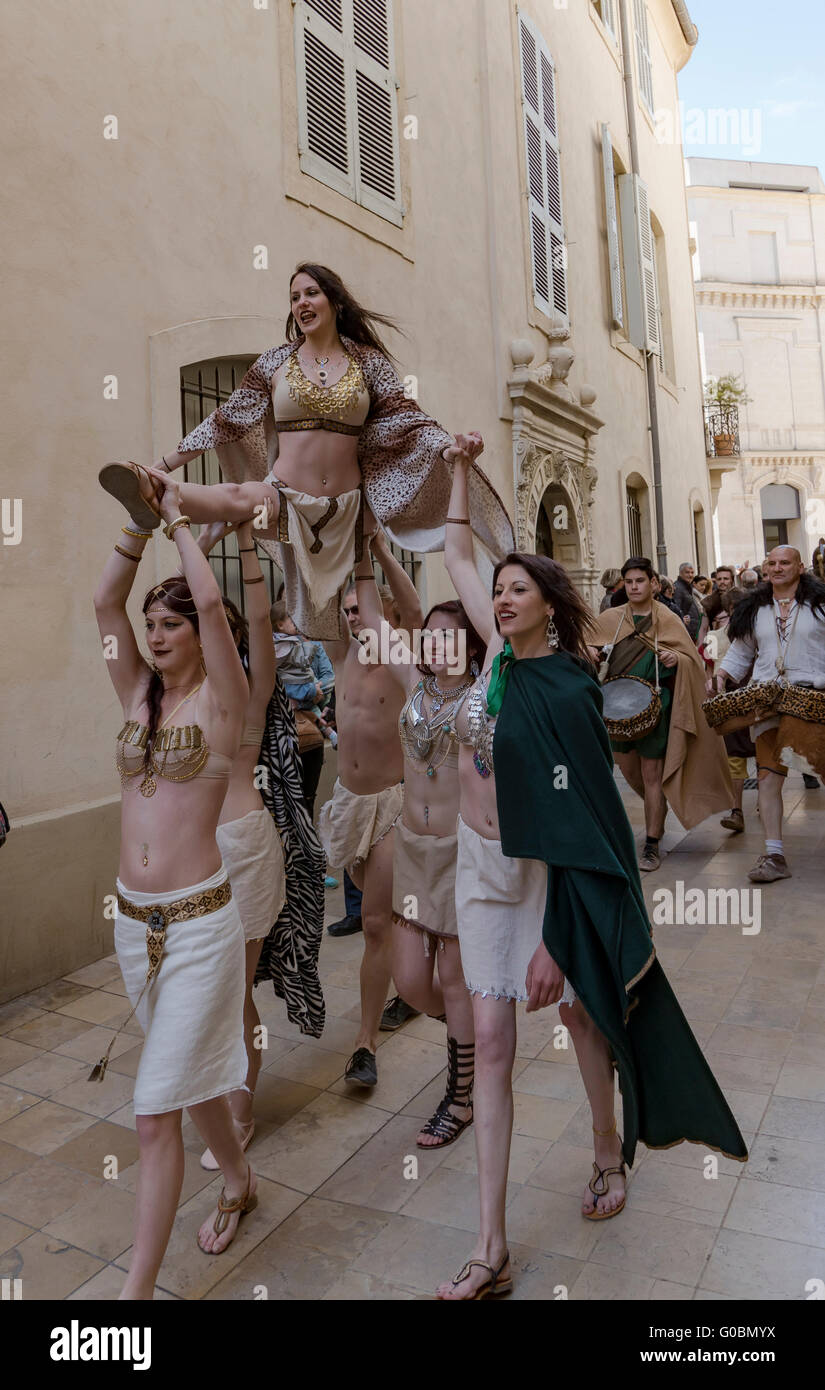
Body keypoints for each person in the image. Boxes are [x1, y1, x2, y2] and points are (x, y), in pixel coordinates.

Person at [435, 453, 746, 1301]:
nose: (499, 600)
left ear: (549, 605)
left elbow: (582, 823)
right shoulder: (495, 662)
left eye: (517, 591)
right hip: (478, 871)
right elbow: (456, 554)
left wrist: (550, 937)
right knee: (489, 1045)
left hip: (545, 878)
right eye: (496, 591)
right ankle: (489, 1245)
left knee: (580, 1015)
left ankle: (608, 1144)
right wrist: (459, 471)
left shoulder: (569, 688)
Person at [99, 264, 513, 640]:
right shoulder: (274, 361)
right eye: (294, 297)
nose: (301, 303)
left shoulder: (367, 362)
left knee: (346, 631)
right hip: (285, 495)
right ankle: (155, 489)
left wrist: (447, 450)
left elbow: (406, 417)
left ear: (333, 301)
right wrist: (161, 464)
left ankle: (488, 646)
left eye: (310, 293)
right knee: (239, 498)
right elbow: (226, 420)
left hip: (348, 510)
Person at [93, 478, 258, 1296]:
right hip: (134, 922)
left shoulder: (225, 702)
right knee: (182, 1074)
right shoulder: (134, 695)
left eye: (171, 624)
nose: (155, 635)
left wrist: (181, 518)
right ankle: (237, 1182)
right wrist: (135, 527)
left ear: (198, 634)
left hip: (199, 927)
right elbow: (101, 607)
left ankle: (135, 1296)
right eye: (151, 625)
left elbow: (218, 608)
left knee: (152, 1109)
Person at [354, 527, 484, 1147]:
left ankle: (460, 1097)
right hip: (412, 851)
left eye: (446, 633)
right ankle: (472, 1036)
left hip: (462, 854)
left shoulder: (485, 696)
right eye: (428, 632)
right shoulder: (413, 682)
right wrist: (369, 549)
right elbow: (375, 618)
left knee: (454, 979)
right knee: (411, 981)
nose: (432, 642)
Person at [177, 524, 286, 1170]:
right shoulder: (178, 697)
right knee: (204, 995)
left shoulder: (247, 691)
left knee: (232, 991)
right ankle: (219, 1099)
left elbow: (254, 617)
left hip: (241, 846)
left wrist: (244, 542)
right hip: (191, 855)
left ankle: (240, 1112)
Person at [316, 530, 423, 1087]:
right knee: (392, 917)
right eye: (350, 611)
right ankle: (410, 986)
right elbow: (309, 601)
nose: (356, 618)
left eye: (363, 609)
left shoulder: (401, 656)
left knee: (375, 922)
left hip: (390, 805)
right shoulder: (339, 656)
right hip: (347, 805)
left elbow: (411, 608)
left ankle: (364, 1046)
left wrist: (375, 549)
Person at [589, 557, 734, 871]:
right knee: (629, 773)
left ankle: (651, 842)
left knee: (652, 774)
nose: (634, 587)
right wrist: (591, 652)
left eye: (640, 581)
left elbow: (691, 660)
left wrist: (675, 657)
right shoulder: (611, 619)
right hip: (616, 711)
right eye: (629, 582)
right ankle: (659, 810)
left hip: (656, 706)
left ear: (653, 583)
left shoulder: (666, 618)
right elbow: (586, 649)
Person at [714, 545, 825, 882]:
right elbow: (741, 650)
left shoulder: (820, 606)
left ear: (800, 567)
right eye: (772, 563)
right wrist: (722, 674)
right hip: (767, 702)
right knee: (767, 778)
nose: (777, 568)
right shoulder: (756, 609)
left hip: (812, 698)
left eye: (785, 563)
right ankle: (774, 855)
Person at [672, 561, 702, 641]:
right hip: (687, 631)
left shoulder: (688, 586)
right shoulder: (677, 588)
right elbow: (676, 609)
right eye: (687, 572)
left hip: (693, 630)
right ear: (680, 573)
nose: (690, 575)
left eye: (692, 572)